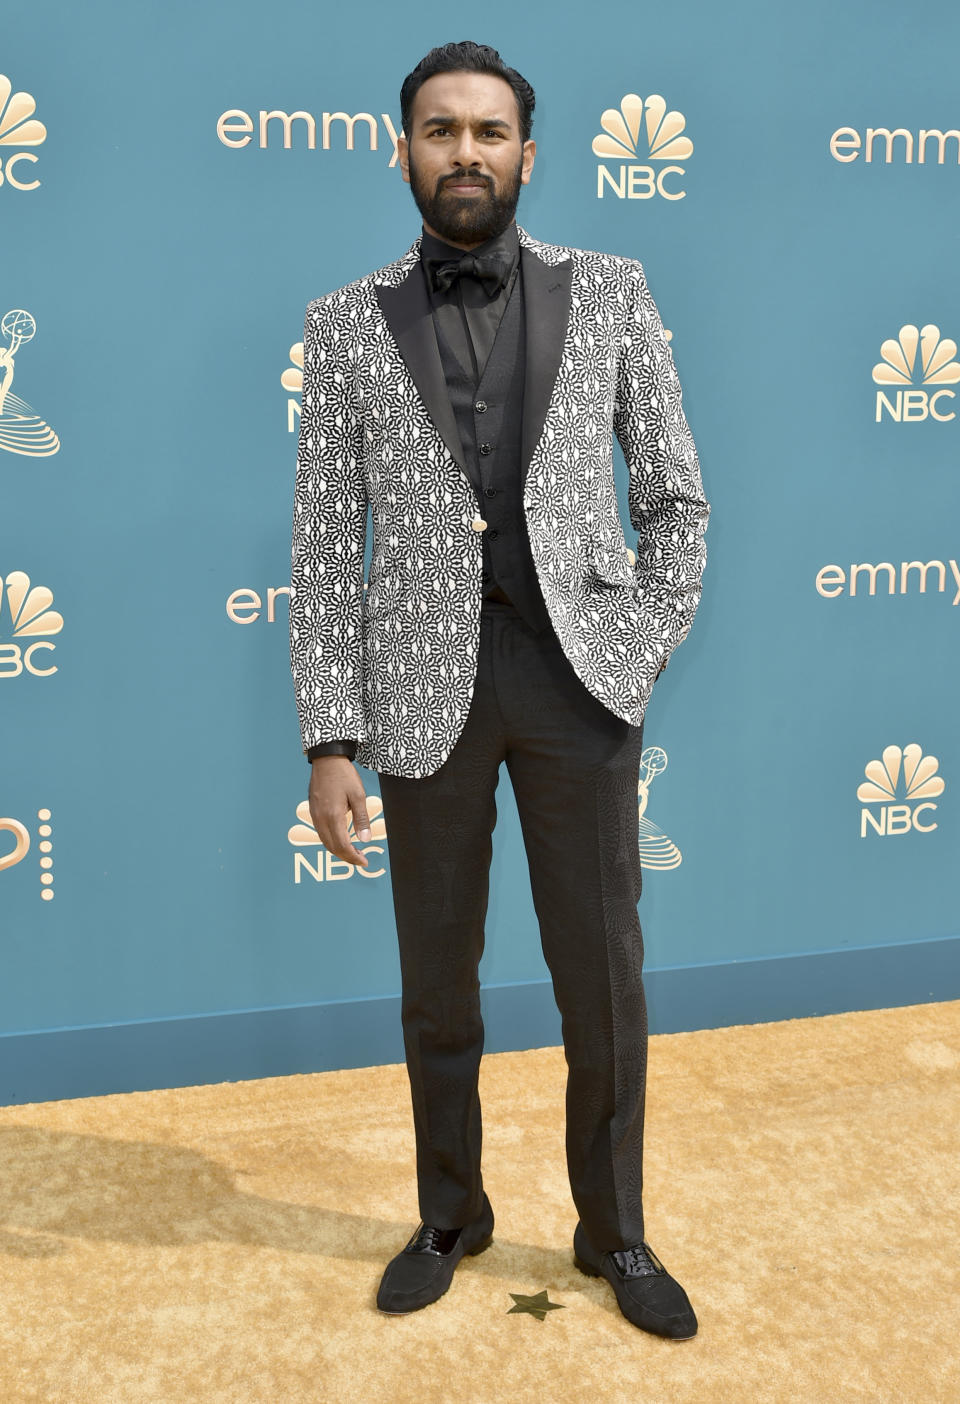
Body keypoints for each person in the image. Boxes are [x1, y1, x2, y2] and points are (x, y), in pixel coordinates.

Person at [290, 40, 710, 1340]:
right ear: (402, 148)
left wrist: (631, 652)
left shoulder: (616, 292)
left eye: (487, 131)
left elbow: (678, 498)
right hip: (424, 701)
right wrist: (330, 738)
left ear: (528, 153)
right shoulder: (342, 326)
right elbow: (321, 549)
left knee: (605, 983)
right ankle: (447, 1215)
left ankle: (615, 1232)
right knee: (438, 985)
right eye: (438, 129)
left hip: (579, 693)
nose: (463, 151)